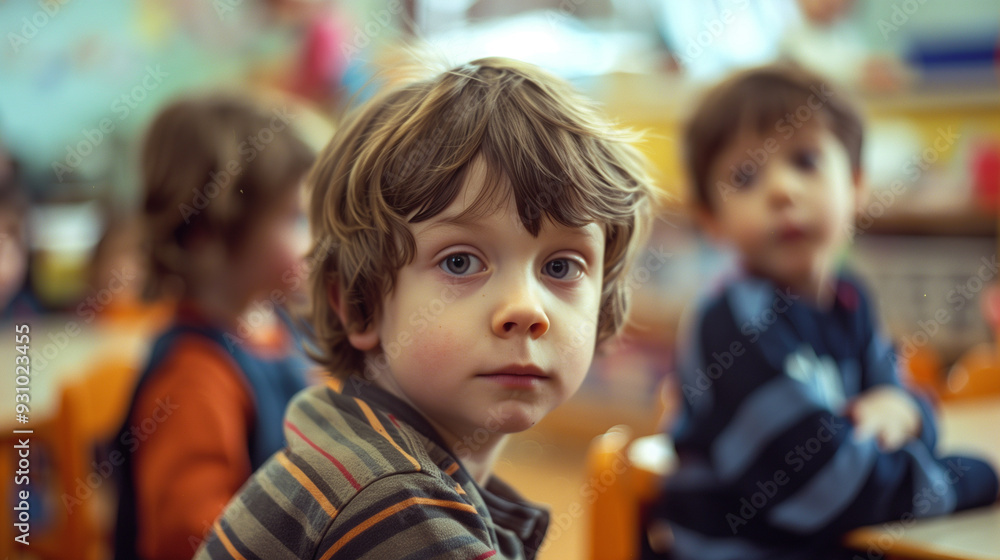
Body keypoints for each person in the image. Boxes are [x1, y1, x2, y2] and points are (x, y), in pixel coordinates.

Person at [195, 57, 655, 559]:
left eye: (562, 267)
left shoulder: (358, 447)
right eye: (460, 261)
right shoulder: (390, 503)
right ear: (359, 305)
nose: (526, 309)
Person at [650, 64, 999, 559]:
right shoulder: (732, 321)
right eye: (746, 177)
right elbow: (830, 486)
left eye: (806, 161)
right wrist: (973, 478)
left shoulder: (849, 299)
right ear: (711, 219)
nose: (782, 191)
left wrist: (909, 413)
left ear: (856, 185)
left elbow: (898, 398)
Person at [113, 92, 316, 560]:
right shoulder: (195, 378)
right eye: (295, 218)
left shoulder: (277, 326)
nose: (316, 238)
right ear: (209, 234)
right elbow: (188, 540)